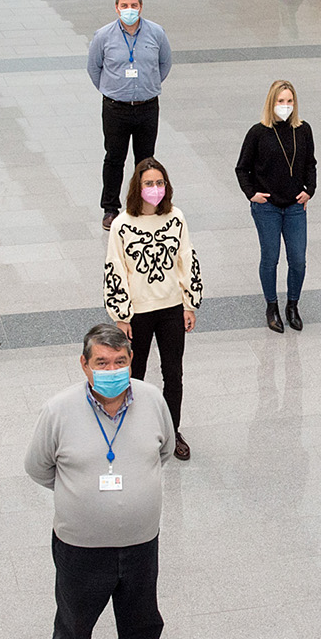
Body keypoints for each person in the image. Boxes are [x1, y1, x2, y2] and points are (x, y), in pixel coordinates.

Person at [24, 324, 184, 639]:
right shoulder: (58, 410)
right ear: (84, 364)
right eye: (102, 362)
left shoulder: (151, 400)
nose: (112, 369)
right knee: (74, 627)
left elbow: (164, 451)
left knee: (142, 619)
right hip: (81, 548)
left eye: (120, 362)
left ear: (130, 361)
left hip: (140, 542)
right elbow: (38, 467)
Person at [104, 159, 200, 460]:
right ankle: (133, 433)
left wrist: (190, 303)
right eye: (149, 183)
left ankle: (172, 431)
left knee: (174, 373)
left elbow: (187, 258)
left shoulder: (176, 217)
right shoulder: (121, 224)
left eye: (159, 183)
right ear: (137, 187)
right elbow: (114, 268)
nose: (155, 189)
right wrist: (121, 315)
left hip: (171, 307)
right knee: (135, 375)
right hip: (137, 314)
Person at [88, 0, 172, 230]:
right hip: (116, 108)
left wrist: (149, 84)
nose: (129, 10)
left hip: (147, 107)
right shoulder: (103, 36)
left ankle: (144, 204)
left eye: (133, 5)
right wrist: (112, 89)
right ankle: (110, 208)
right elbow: (94, 68)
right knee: (114, 158)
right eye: (124, 6)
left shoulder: (156, 33)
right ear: (116, 8)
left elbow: (164, 64)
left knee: (145, 160)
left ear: (141, 6)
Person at [235, 79, 316, 333]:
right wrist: (252, 194)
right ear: (272, 103)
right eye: (281, 101)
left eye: (289, 101)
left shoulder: (303, 130)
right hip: (267, 207)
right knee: (270, 258)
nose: (285, 106)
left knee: (298, 260)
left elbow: (310, 164)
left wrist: (309, 191)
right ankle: (272, 306)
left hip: (294, 206)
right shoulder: (258, 132)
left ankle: (293, 305)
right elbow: (242, 168)